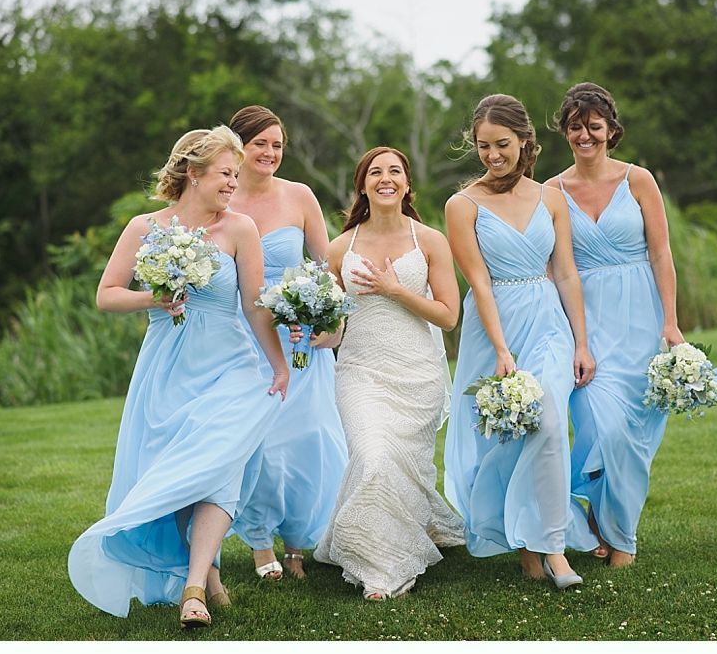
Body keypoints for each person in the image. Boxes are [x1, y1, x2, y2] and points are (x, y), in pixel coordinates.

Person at [67, 125, 289, 627]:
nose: (235, 183)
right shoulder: (145, 227)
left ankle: (193, 590)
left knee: (221, 464)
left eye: (237, 174)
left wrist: (277, 363)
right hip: (167, 366)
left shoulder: (240, 230)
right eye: (226, 173)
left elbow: (254, 307)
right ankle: (207, 573)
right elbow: (107, 294)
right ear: (193, 172)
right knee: (186, 471)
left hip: (231, 365)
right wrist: (154, 298)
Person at [443, 94, 598, 589]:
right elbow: (479, 283)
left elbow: (567, 273)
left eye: (502, 144)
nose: (492, 155)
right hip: (494, 328)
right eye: (484, 146)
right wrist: (503, 350)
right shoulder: (461, 205)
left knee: (548, 422)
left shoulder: (551, 197)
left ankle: (553, 548)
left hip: (549, 321)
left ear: (525, 142)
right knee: (506, 438)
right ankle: (522, 543)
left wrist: (581, 341)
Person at [312, 146, 465, 601]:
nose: (385, 178)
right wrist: (319, 332)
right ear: (362, 185)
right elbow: (337, 321)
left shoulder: (431, 241)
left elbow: (448, 316)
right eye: (375, 172)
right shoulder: (341, 247)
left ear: (407, 184)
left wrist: (395, 290)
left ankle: (402, 531)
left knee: (403, 465)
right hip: (360, 370)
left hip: (417, 372)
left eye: (394, 171)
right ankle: (382, 567)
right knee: (374, 456)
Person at [545, 82, 683, 568]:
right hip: (586, 321)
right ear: (565, 132)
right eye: (575, 127)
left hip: (641, 316)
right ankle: (615, 533)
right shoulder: (551, 191)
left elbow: (661, 252)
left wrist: (670, 321)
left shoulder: (639, 180)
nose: (585, 136)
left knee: (632, 432)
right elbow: (552, 266)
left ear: (611, 130)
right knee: (598, 424)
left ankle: (612, 525)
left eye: (594, 127)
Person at [225, 105, 348, 581]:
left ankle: (297, 543)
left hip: (300, 336)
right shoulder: (224, 198)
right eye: (261, 144)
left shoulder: (300, 196)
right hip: (244, 335)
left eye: (278, 145)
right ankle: (259, 542)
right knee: (261, 441)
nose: (271, 153)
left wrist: (329, 324)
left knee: (308, 437)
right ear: (238, 147)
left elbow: (326, 269)